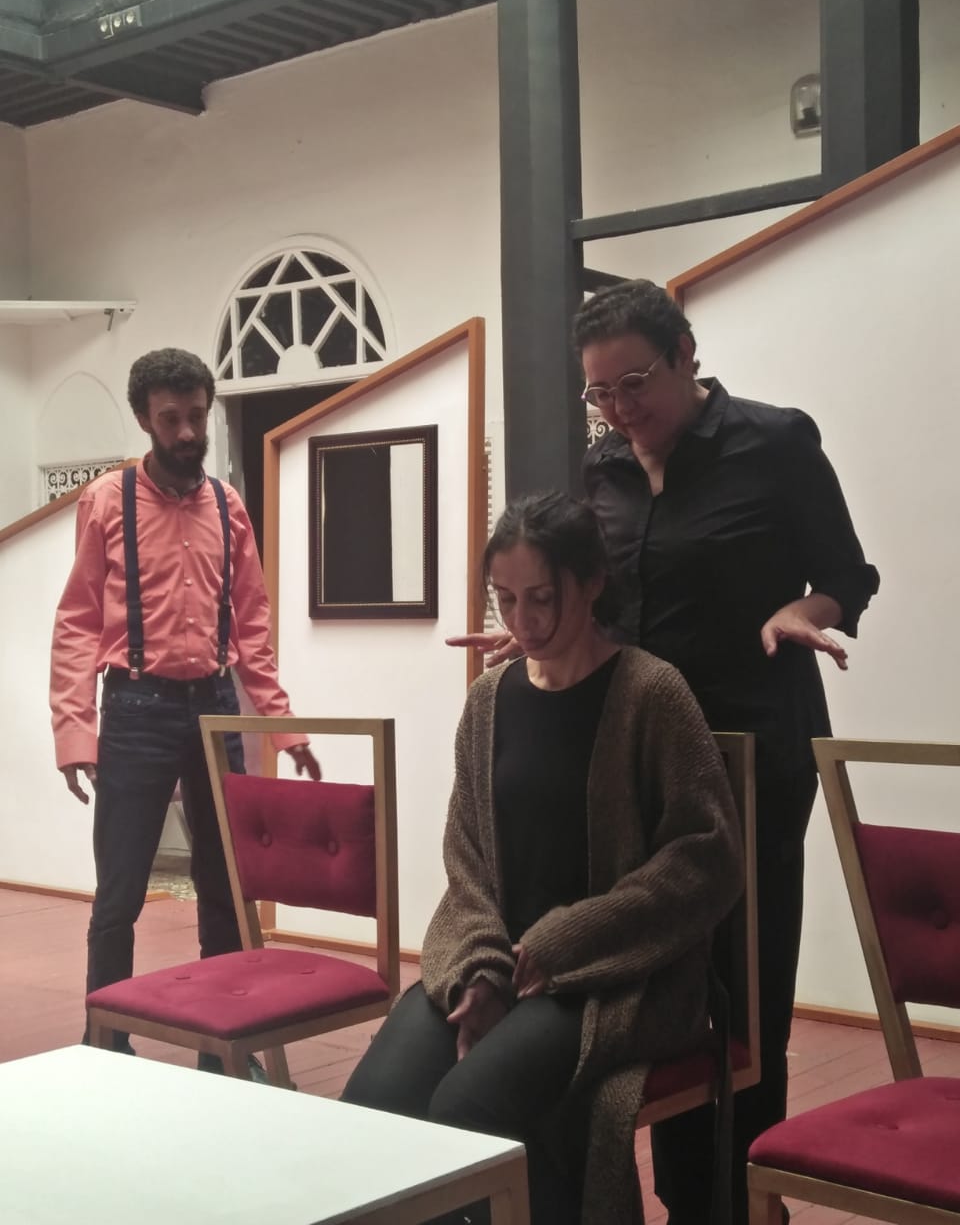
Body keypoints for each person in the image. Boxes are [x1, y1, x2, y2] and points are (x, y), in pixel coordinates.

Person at [451, 280, 879, 1224]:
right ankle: (647, 1180)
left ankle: (730, 1201)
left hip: (748, 754)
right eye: (599, 393)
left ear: (686, 355)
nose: (618, 409)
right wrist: (538, 629)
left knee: (743, 993)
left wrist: (799, 609)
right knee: (647, 972)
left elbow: (849, 574)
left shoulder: (775, 442)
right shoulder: (604, 467)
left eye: (635, 384)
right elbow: (599, 598)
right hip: (631, 757)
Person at [343, 491, 744, 1225]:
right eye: (505, 599)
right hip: (502, 963)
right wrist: (481, 968)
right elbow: (466, 855)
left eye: (541, 599)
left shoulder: (651, 693)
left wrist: (566, 939)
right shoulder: (489, 699)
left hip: (613, 980)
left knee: (467, 1109)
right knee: (374, 1106)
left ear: (591, 584)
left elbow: (707, 860)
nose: (521, 622)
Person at [50, 347, 321, 1071]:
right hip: (135, 707)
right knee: (121, 889)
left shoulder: (228, 506)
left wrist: (281, 724)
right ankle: (106, 1044)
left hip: (215, 706)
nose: (187, 432)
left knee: (226, 885)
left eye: (196, 416)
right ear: (144, 420)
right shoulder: (106, 501)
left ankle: (223, 1045)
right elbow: (77, 621)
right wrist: (75, 731)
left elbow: (252, 625)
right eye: (170, 419)